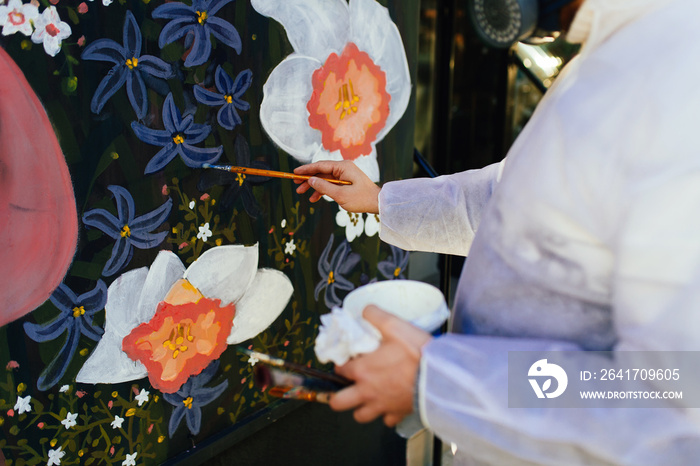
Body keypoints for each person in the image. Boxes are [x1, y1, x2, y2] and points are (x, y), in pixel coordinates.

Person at [294, 0, 700, 464]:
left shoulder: (681, 80)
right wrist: (381, 199)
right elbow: (515, 201)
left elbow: (671, 402)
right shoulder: (622, 51)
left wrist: (438, 383)